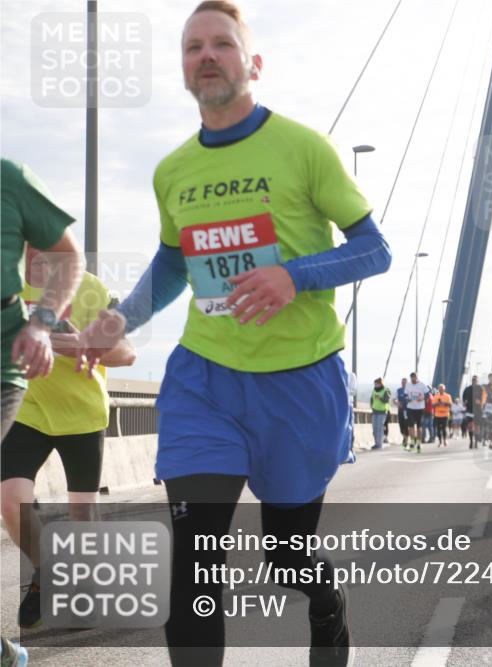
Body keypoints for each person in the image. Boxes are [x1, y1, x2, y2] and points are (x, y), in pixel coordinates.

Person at [74, 3, 391, 663]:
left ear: (254, 63)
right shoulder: (173, 171)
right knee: (194, 560)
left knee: (287, 551)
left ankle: (327, 604)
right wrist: (121, 318)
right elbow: (172, 260)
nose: (207, 55)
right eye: (194, 47)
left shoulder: (304, 147)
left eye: (223, 44)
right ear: (185, 68)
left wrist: (292, 275)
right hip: (205, 380)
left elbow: (374, 250)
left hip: (300, 380)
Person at [2, 247, 136, 630]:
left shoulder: (90, 288)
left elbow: (126, 353)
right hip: (26, 410)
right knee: (11, 501)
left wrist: (79, 344)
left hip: (83, 414)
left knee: (83, 514)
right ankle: (47, 573)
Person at [0, 157, 85, 667]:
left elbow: (68, 258)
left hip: (3, 359)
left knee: (80, 511)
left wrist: (42, 324)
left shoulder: (9, 178)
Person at [404, 372, 430, 453]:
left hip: (420, 408)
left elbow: (428, 395)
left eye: (414, 378)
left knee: (419, 426)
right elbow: (405, 395)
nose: (413, 379)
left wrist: (422, 398)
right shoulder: (408, 385)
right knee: (411, 426)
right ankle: (412, 443)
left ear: (417, 378)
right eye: (411, 378)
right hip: (410, 408)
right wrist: (407, 399)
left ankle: (419, 443)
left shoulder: (422, 385)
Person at [461, 375, 485, 449]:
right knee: (470, 426)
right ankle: (471, 441)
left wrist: (480, 401)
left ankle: (476, 441)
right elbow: (464, 397)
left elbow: (484, 398)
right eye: (473, 380)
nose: (474, 381)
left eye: (476, 380)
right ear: (472, 380)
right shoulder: (467, 389)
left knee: (477, 426)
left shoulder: (481, 388)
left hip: (478, 410)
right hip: (470, 409)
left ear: (478, 381)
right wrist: (464, 401)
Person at [370, 378, 391, 449]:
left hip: (382, 412)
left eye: (377, 384)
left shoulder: (386, 390)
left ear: (380, 383)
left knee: (379, 428)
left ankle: (379, 444)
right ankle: (376, 443)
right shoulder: (374, 390)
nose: (375, 385)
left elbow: (387, 400)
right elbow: (371, 398)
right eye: (375, 384)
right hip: (375, 411)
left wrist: (380, 398)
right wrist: (372, 406)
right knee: (374, 428)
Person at [394, 377, 409, 447]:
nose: (403, 384)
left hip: (408, 411)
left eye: (405, 383)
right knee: (401, 425)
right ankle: (404, 436)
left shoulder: (409, 390)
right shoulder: (399, 390)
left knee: (406, 424)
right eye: (402, 382)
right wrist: (397, 403)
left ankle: (406, 438)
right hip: (400, 410)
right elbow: (395, 399)